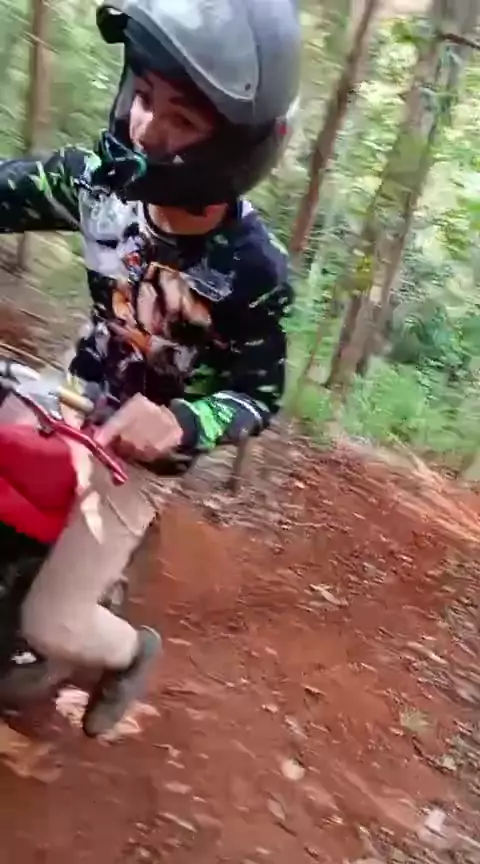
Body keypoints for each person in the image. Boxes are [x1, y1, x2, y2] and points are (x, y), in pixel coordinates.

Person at [0, 0, 300, 737]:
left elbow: (259, 394)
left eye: (182, 119)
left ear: (234, 146)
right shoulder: (101, 183)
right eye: (144, 95)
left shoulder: (254, 271)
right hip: (70, 394)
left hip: (141, 458)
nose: (145, 128)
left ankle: (131, 651)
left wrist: (184, 421)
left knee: (53, 621)